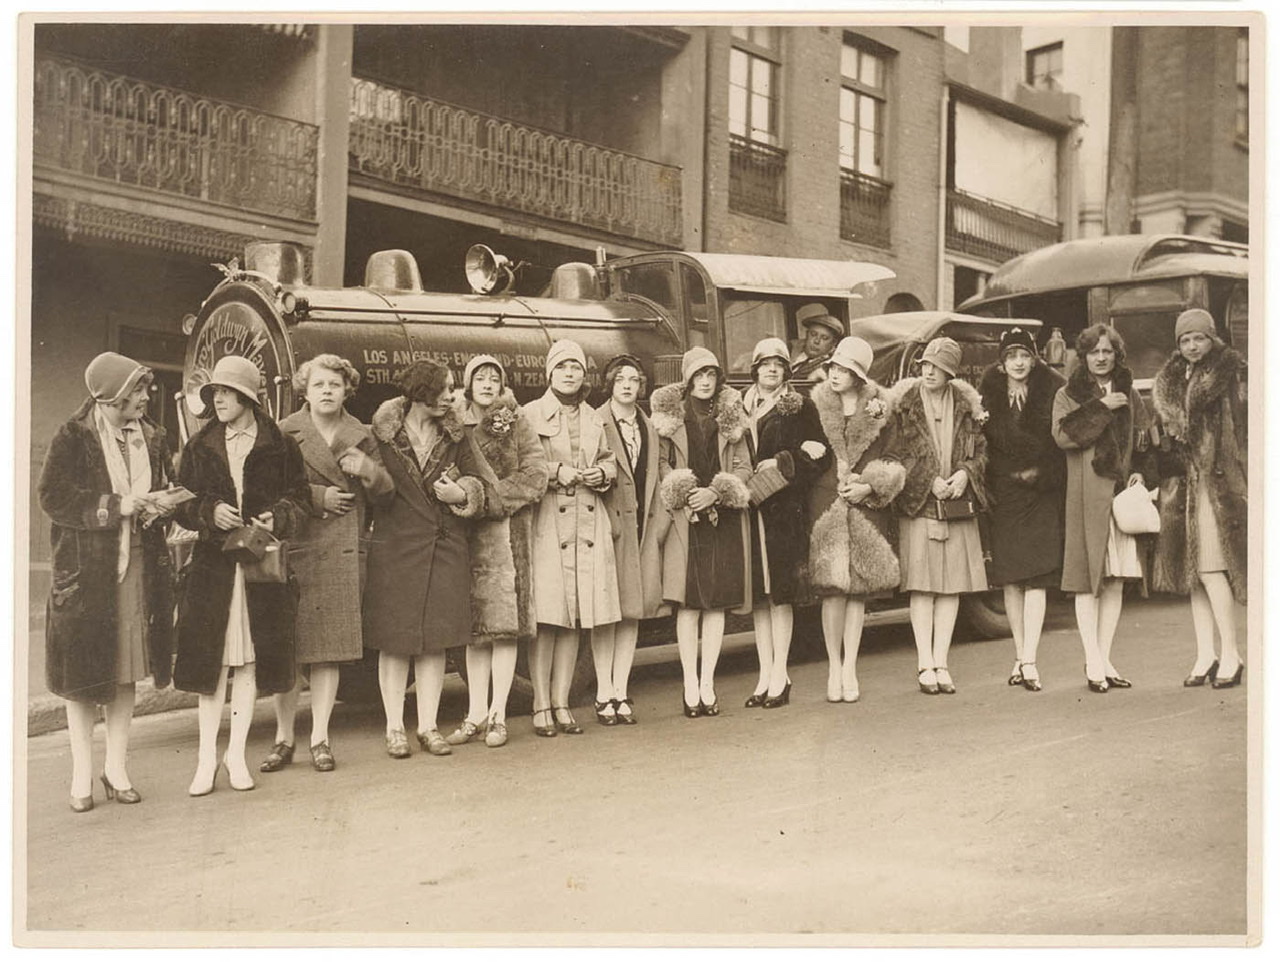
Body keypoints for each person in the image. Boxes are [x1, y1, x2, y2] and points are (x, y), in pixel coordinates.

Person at [38, 352, 178, 811]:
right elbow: (53, 497)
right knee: (82, 679)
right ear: (113, 396)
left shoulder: (152, 438)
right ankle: (81, 775)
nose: (145, 397)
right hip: (86, 576)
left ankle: (116, 769)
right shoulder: (73, 436)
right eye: (137, 391)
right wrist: (115, 506)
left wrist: (159, 504)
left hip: (136, 567)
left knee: (123, 674)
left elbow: (159, 486)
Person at [173, 355, 309, 795]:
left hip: (260, 571)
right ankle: (205, 760)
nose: (218, 400)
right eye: (214, 393)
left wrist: (279, 516)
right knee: (211, 666)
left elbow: (301, 501)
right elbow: (180, 502)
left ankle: (235, 757)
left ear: (248, 397)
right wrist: (208, 511)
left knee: (250, 661)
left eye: (227, 393)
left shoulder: (281, 444)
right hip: (213, 572)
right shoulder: (199, 446)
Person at [259, 355, 393, 775]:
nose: (327, 391)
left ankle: (319, 737)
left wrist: (369, 471)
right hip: (298, 544)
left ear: (347, 389)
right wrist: (319, 498)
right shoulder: (284, 431)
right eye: (319, 385)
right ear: (305, 390)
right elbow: (267, 489)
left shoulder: (362, 434)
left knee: (328, 652)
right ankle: (284, 737)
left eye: (335, 384)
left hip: (340, 550)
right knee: (290, 652)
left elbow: (387, 495)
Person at [363, 359, 499, 758]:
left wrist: (463, 495)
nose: (451, 396)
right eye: (444, 388)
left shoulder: (456, 434)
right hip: (396, 548)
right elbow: (372, 492)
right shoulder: (382, 436)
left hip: (444, 545)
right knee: (395, 642)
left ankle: (427, 726)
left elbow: (484, 484)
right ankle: (393, 728)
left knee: (435, 641)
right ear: (420, 392)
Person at [445, 355, 549, 748]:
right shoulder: (452, 422)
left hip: (507, 536)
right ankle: (473, 714)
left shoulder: (517, 420)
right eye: (480, 378)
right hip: (465, 536)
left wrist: (486, 498)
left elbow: (535, 475)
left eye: (494, 378)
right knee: (475, 633)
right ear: (468, 384)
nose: (487, 384)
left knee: (505, 630)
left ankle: (497, 716)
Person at [1052, 324, 1155, 693]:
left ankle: (1106, 658)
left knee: (1114, 580)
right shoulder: (1068, 393)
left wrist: (1141, 472)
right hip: (1086, 498)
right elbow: (1062, 436)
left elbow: (1145, 439)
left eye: (1107, 351)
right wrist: (1100, 409)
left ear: (1116, 355)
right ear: (1084, 356)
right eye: (1094, 352)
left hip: (1120, 499)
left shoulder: (1129, 393)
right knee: (1087, 581)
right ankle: (1091, 659)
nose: (1100, 358)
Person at [526, 340, 621, 736]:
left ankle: (562, 702)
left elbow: (608, 459)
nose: (569, 373)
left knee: (574, 618)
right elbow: (521, 464)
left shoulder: (595, 418)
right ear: (549, 373)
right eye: (562, 366)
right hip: (548, 522)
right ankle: (539, 703)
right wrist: (553, 471)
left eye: (576, 368)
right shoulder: (529, 414)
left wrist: (604, 474)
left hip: (588, 524)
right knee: (548, 616)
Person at [652, 346, 752, 717]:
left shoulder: (731, 415)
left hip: (721, 516)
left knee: (716, 605)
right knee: (689, 603)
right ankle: (689, 683)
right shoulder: (670, 416)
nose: (705, 382)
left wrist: (716, 491)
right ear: (688, 380)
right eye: (698, 376)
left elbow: (744, 466)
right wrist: (681, 488)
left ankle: (708, 683)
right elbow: (660, 462)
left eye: (711, 375)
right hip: (684, 517)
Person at [1151, 309, 1247, 689]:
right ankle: (1206, 652)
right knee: (1194, 575)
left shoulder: (1227, 375)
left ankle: (1232, 653)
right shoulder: (1173, 378)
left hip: (1217, 484)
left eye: (1199, 338)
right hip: (1183, 487)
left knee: (1210, 568)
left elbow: (1241, 431)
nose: (1192, 346)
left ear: (1211, 339)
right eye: (1185, 339)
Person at [807, 337, 905, 704]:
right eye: (833, 367)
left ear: (859, 376)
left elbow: (895, 456)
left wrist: (869, 486)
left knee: (858, 591)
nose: (835, 374)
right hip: (826, 503)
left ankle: (850, 668)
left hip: (864, 508)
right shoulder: (815, 405)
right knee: (832, 589)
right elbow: (807, 451)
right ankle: (834, 666)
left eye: (843, 370)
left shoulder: (881, 408)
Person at [890, 337, 990, 696]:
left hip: (956, 503)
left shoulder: (967, 405)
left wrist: (964, 473)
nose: (928, 371)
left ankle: (942, 662)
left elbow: (980, 450)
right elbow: (895, 453)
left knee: (951, 587)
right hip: (920, 503)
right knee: (923, 586)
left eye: (937, 366)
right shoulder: (902, 405)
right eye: (925, 365)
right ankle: (924, 663)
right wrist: (927, 480)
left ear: (950, 371)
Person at [741, 337, 831, 708]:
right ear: (755, 369)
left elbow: (821, 454)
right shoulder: (738, 405)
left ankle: (781, 673)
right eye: (765, 364)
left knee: (780, 596)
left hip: (783, 512)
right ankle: (764, 674)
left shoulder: (799, 406)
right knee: (760, 599)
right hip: (749, 510)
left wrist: (783, 461)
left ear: (786, 370)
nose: (772, 369)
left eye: (778, 364)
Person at [979, 328, 1066, 692]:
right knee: (1011, 578)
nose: (1018, 362)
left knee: (1037, 578)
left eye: (1024, 356)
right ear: (1001, 362)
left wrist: (1040, 473)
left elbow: (1060, 444)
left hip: (1039, 491)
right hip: (1005, 495)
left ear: (1035, 359)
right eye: (1011, 356)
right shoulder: (988, 394)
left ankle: (1029, 658)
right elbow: (981, 443)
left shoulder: (1053, 391)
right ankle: (1020, 656)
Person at [592, 354, 669, 725]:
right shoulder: (596, 420)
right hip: (609, 529)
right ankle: (602, 691)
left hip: (642, 528)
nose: (627, 385)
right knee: (607, 612)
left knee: (632, 613)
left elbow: (657, 475)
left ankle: (621, 690)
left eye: (634, 380)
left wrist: (660, 524)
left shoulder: (648, 426)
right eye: (620, 379)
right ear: (610, 385)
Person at [790, 303, 844, 381]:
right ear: (806, 334)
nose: (816, 341)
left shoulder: (830, 366)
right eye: (813, 334)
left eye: (824, 338)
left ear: (834, 343)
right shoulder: (791, 350)